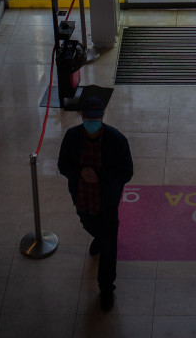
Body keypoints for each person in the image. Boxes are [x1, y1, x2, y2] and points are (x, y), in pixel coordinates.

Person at [57, 95, 133, 312]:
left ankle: (106, 288)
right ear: (82, 116)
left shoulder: (117, 140)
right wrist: (80, 172)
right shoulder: (72, 137)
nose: (92, 122)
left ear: (102, 117)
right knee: (89, 225)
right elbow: (63, 165)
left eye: (96, 118)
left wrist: (101, 176)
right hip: (82, 199)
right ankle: (97, 236)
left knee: (109, 249)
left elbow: (127, 172)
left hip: (106, 203)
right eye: (89, 118)